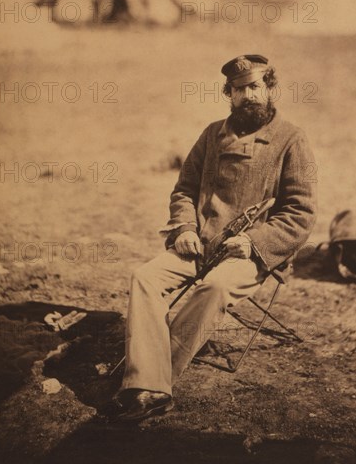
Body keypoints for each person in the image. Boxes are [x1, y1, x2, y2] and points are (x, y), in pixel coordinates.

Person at [111, 54, 317, 421]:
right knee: (144, 278)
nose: (248, 96)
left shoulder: (291, 140)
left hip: (249, 254)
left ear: (271, 89)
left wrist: (254, 242)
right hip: (200, 242)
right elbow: (184, 190)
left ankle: (152, 384)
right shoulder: (211, 134)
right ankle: (149, 383)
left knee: (214, 289)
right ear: (229, 94)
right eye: (239, 90)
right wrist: (185, 228)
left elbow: (300, 213)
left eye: (255, 87)